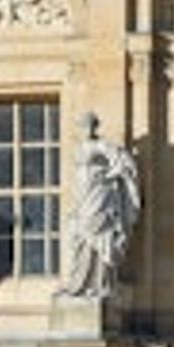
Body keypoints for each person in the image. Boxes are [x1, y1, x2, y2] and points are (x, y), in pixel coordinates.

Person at [55, 111, 140, 300]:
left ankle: (99, 283)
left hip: (98, 195)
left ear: (95, 127)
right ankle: (79, 283)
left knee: (98, 234)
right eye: (84, 126)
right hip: (82, 194)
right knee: (79, 238)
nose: (87, 129)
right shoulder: (80, 148)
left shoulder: (101, 145)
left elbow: (124, 164)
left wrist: (107, 176)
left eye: (90, 125)